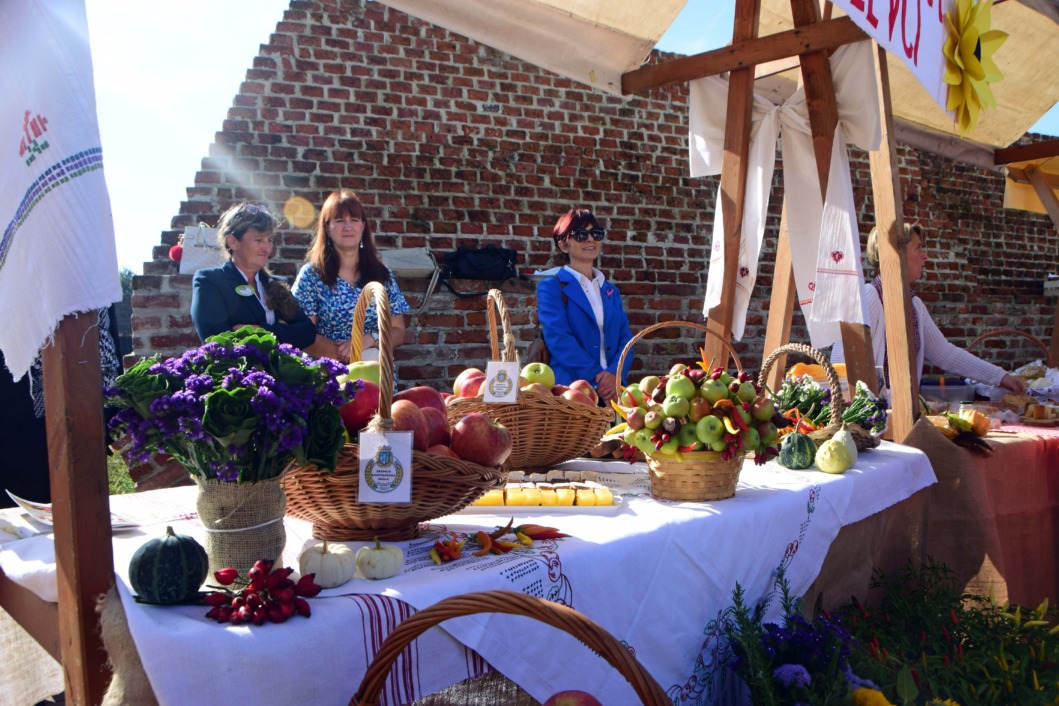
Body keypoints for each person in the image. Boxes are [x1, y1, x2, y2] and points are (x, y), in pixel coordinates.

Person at [851, 222, 1026, 394]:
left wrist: (1000, 376)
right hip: (873, 410)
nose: (925, 255)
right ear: (897, 253)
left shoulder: (914, 305)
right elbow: (845, 361)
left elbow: (945, 353)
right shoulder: (870, 297)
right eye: (918, 248)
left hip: (903, 409)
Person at [292, 190, 409, 363]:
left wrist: (371, 338)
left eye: (354, 220)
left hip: (374, 370)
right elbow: (302, 335)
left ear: (363, 226)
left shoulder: (382, 275)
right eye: (339, 221)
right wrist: (351, 357)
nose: (348, 227)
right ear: (327, 228)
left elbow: (398, 331)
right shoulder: (311, 276)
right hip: (328, 371)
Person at [536, 207, 633, 404]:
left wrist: (615, 375)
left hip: (614, 392)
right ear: (564, 245)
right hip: (571, 392)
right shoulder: (551, 286)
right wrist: (598, 378)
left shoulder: (611, 291)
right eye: (581, 234)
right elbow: (558, 338)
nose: (590, 239)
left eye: (596, 233)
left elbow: (626, 339)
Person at [190, 203, 315, 348]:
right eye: (259, 239)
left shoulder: (275, 284)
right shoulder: (211, 281)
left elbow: (308, 333)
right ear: (233, 242)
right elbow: (215, 339)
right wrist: (281, 333)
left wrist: (259, 331)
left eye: (270, 240)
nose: (267, 248)